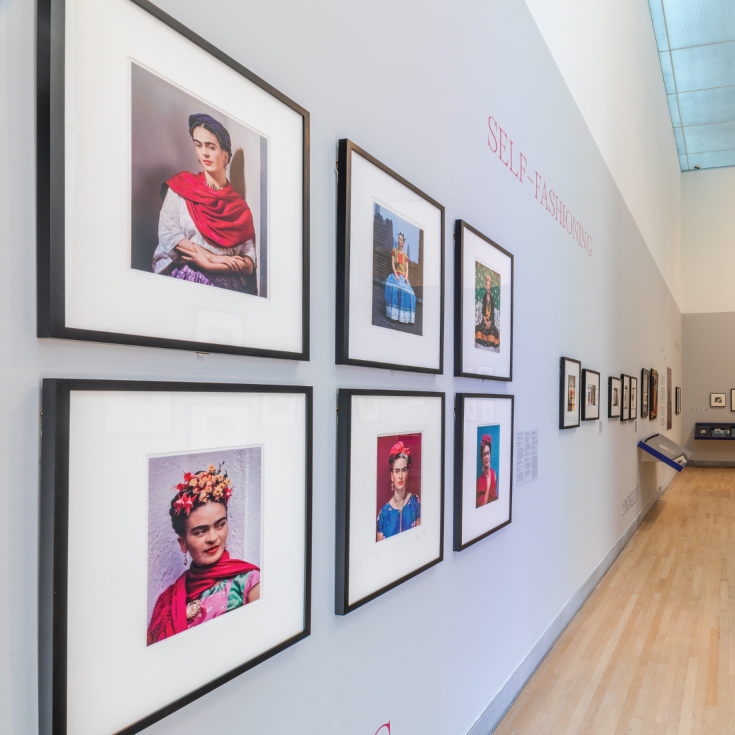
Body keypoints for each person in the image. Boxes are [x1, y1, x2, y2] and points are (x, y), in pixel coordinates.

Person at [147, 463, 260, 645]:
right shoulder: (166, 603)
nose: (213, 538)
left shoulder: (249, 582)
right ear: (183, 543)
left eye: (220, 525)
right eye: (200, 531)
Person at [152, 113, 258, 295]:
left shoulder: (240, 209)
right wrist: (210, 258)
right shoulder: (180, 187)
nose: (204, 153)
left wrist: (214, 265)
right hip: (186, 281)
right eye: (198, 145)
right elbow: (169, 234)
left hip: (227, 291)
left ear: (225, 156)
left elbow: (249, 263)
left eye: (211, 147)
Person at [376, 441, 421, 540]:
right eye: (397, 471)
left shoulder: (416, 503)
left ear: (408, 473)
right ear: (392, 475)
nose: (400, 476)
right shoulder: (383, 514)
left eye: (404, 470)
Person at [384, 233, 417, 324]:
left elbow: (407, 269)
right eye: (398, 238)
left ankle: (404, 316)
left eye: (401, 239)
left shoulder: (406, 256)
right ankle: (394, 314)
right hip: (396, 275)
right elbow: (392, 265)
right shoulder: (394, 250)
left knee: (410, 293)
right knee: (395, 288)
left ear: (403, 242)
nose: (399, 240)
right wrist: (396, 275)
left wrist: (406, 277)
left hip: (403, 277)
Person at [475, 272, 499, 350]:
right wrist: (485, 322)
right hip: (485, 320)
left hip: (491, 321)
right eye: (487, 285)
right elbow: (483, 311)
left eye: (489, 285)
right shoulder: (484, 297)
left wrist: (490, 322)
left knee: (492, 332)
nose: (488, 287)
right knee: (480, 330)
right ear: (485, 286)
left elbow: (492, 312)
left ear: (490, 287)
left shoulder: (491, 298)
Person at [476, 434, 498, 507]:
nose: (486, 457)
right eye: (484, 454)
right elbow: (482, 505)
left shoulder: (493, 473)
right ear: (482, 459)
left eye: (488, 453)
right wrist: (488, 485)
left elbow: (495, 497)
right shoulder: (479, 482)